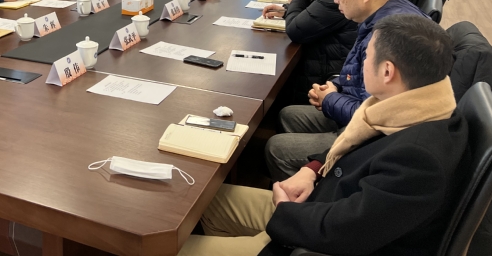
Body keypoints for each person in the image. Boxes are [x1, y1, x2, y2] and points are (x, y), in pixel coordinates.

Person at [180, 15, 467, 256]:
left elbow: (346, 231)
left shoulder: (418, 158)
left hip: (312, 238)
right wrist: (313, 169)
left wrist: (285, 209)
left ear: (387, 71)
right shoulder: (416, 106)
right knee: (198, 203)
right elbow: (354, 149)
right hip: (318, 202)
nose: (361, 63)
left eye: (367, 56)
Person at [264, 0, 427, 181]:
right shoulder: (379, 15)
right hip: (360, 111)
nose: (335, 0)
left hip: (372, 140)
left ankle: (312, 195)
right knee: (287, 114)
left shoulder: (390, 37)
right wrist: (336, 85)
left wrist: (330, 99)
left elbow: (374, 117)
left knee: (276, 148)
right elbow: (358, 73)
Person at [262, 0, 357, 104]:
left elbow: (295, 30)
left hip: (328, 74)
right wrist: (287, 11)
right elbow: (315, 13)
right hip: (331, 59)